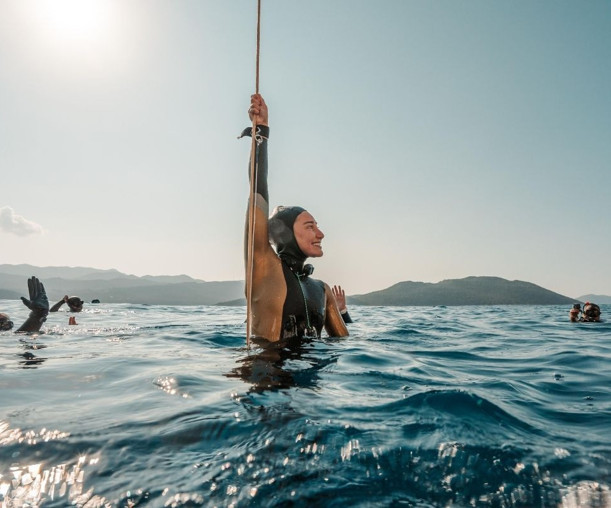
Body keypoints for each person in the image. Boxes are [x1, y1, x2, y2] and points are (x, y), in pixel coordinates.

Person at [240, 94, 348, 342]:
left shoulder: (322, 290)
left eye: (317, 227)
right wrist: (261, 133)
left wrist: (344, 313)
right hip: (269, 377)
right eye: (310, 227)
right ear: (285, 233)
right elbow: (257, 189)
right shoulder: (264, 267)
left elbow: (344, 342)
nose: (320, 234)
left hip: (315, 379)